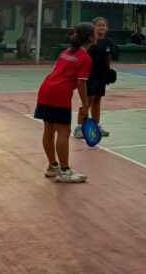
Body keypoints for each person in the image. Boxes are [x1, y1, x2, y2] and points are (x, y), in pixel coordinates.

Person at [34, 22, 95, 183]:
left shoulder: (66, 52)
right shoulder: (85, 58)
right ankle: (65, 171)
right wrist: (85, 105)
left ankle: (53, 166)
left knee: (49, 129)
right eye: (95, 32)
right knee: (64, 131)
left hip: (46, 90)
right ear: (90, 38)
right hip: (58, 95)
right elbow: (81, 83)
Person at [74, 17, 114, 138]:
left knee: (97, 100)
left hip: (101, 76)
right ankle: (79, 127)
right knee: (86, 101)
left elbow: (108, 59)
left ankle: (96, 126)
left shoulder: (109, 42)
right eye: (98, 25)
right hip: (89, 75)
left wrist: (107, 73)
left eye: (104, 25)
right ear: (93, 28)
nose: (101, 27)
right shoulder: (90, 42)